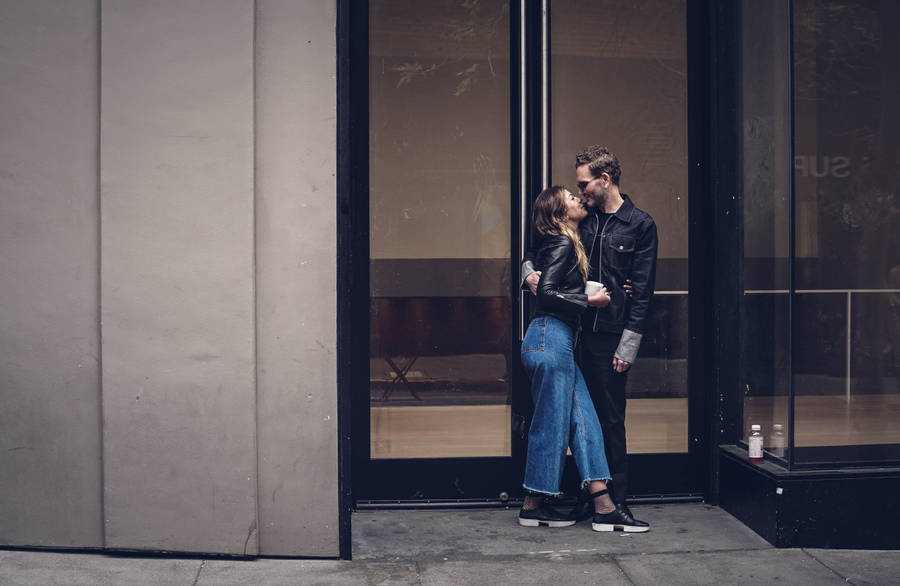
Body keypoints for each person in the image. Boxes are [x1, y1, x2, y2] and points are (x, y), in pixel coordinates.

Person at [523, 146, 657, 526]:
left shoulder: (639, 224)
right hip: (568, 333)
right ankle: (591, 502)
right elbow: (540, 249)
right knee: (574, 417)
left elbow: (643, 292)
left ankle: (613, 500)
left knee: (608, 419)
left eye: (584, 185)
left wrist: (628, 345)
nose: (580, 192)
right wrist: (527, 273)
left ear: (605, 179)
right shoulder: (581, 220)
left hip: (608, 337)